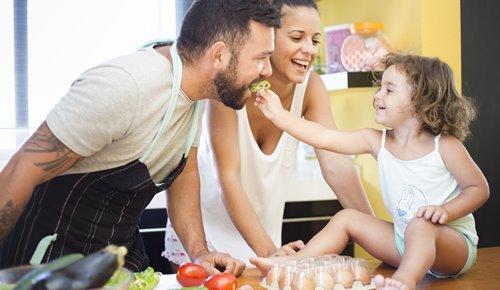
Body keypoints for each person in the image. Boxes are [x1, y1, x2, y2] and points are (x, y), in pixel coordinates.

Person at [0, 0, 282, 275]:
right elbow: (20, 170)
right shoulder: (125, 85)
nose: (268, 71)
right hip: (48, 261)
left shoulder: (196, 93)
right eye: (260, 58)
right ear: (219, 55)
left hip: (118, 262)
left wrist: (199, 252)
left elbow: (185, 172)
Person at [251, 53, 489, 290]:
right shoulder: (377, 141)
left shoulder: (445, 146)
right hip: (403, 242)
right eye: (380, 87)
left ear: (420, 100)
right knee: (347, 218)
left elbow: (478, 189)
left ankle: (403, 281)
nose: (378, 95)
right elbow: (324, 136)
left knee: (421, 224)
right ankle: (291, 264)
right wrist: (279, 115)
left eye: (389, 89)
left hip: (453, 248)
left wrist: (445, 211)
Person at [163, 0, 373, 268]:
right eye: (297, 37)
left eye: (315, 40)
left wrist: (380, 235)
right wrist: (270, 252)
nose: (309, 50)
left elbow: (336, 165)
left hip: (263, 238)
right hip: (204, 238)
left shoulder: (311, 87)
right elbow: (228, 177)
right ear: (268, 39)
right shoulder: (231, 86)